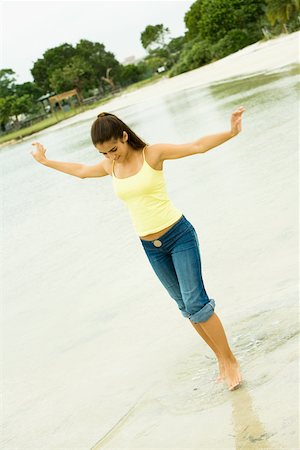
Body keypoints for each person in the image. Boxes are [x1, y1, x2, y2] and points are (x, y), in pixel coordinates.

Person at [31, 107, 245, 391]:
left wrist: (230, 132)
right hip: (151, 247)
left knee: (197, 304)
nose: (110, 156)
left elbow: (196, 146)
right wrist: (45, 161)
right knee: (185, 308)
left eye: (113, 149)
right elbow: (81, 172)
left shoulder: (152, 154)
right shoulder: (111, 167)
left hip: (179, 236)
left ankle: (231, 361)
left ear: (124, 135)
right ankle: (220, 359)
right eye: (103, 153)